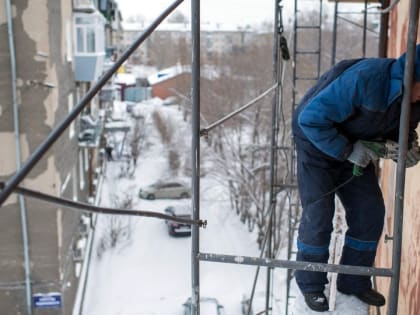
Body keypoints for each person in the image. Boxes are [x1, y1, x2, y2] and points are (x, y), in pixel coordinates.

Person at [292, 44, 420, 312]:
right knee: (318, 214)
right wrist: (348, 150)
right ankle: (311, 284)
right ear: (412, 79)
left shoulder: (414, 98)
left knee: (369, 212)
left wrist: (405, 146)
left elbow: (404, 127)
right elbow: (311, 120)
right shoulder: (366, 80)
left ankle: (353, 282)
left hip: (355, 146)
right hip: (317, 146)